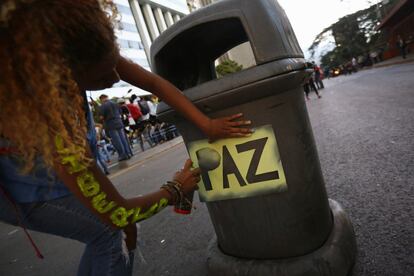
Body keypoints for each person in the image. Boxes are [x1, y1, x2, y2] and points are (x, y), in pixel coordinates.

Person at [0, 1, 252, 276]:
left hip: (56, 171)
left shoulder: (84, 50)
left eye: (115, 62)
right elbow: (117, 213)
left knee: (117, 233)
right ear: (61, 76)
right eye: (102, 75)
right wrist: (175, 189)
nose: (116, 76)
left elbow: (154, 83)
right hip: (27, 191)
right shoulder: (53, 125)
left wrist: (207, 124)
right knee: (111, 232)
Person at [99, 94, 132, 161]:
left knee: (117, 141)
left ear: (102, 99)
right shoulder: (115, 103)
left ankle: (122, 155)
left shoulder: (103, 106)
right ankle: (128, 153)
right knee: (123, 139)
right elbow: (120, 112)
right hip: (119, 122)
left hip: (111, 124)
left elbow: (101, 117)